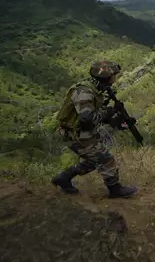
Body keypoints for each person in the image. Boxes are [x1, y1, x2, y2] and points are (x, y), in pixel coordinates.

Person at [51, 60, 138, 198]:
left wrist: (116, 122)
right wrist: (109, 112)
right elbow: (88, 119)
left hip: (81, 131)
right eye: (113, 75)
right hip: (74, 133)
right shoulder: (84, 91)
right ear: (106, 76)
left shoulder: (96, 88)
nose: (115, 78)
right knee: (105, 158)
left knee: (94, 160)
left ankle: (64, 178)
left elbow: (97, 116)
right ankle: (115, 189)